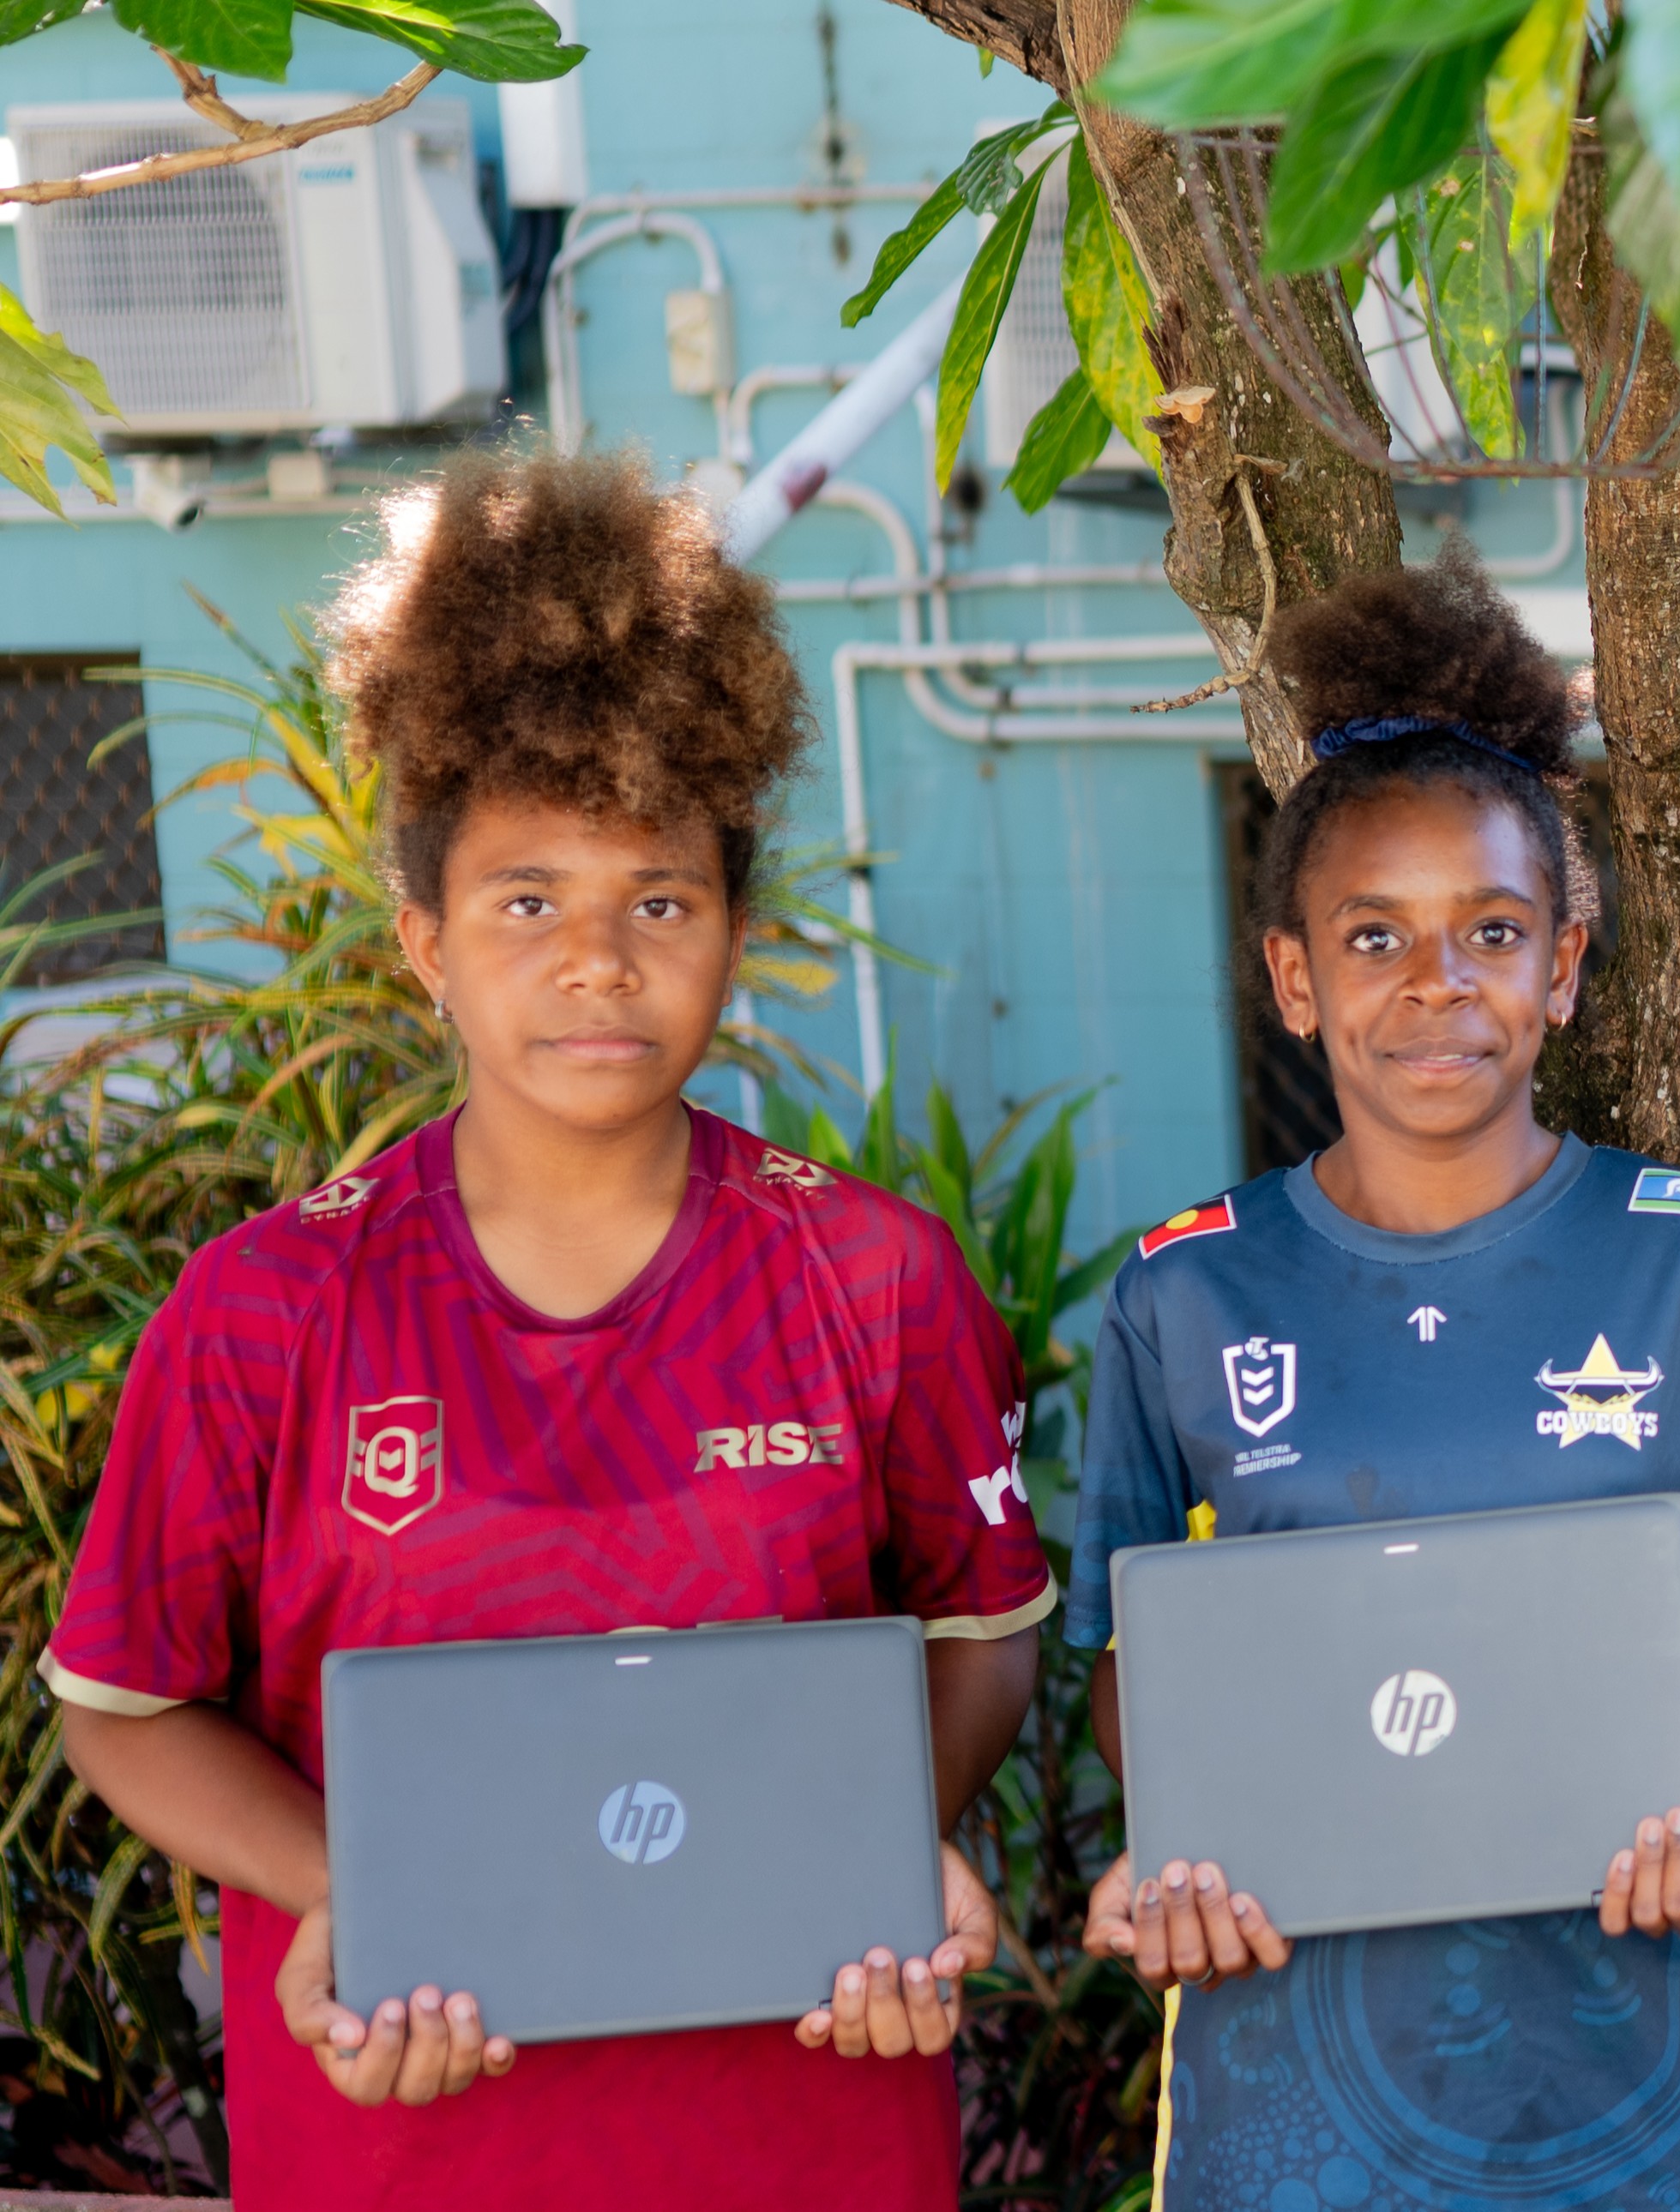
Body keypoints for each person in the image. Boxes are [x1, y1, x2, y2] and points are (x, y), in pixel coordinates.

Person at [45, 451, 1056, 2210]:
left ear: (734, 935)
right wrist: (355, 1889)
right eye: (529, 903)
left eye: (657, 901)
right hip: (406, 2112)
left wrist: (879, 1848)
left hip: (800, 2112)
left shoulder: (875, 1278)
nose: (599, 959)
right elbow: (127, 1708)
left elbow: (983, 1634)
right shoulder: (267, 1310)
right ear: (427, 942)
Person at [1063, 548, 1680, 2212]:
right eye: (1374, 938)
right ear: (1294, 981)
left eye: (1492, 931)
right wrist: (1186, 1825)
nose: (1437, 986)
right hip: (1295, 2052)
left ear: (1562, 965)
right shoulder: (1182, 1289)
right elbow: (1131, 1659)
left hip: (1632, 2036)